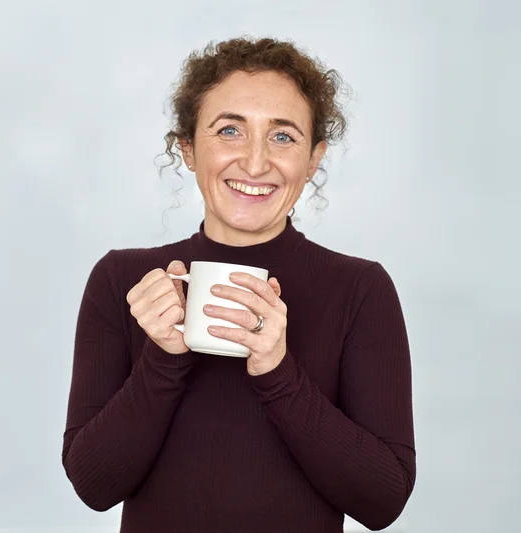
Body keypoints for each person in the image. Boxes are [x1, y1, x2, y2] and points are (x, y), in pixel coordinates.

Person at [62, 36, 415, 533]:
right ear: (187, 148)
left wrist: (278, 371)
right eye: (229, 130)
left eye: (283, 137)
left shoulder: (360, 289)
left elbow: (383, 501)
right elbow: (94, 486)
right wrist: (163, 356)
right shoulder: (122, 281)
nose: (254, 163)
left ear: (314, 159)